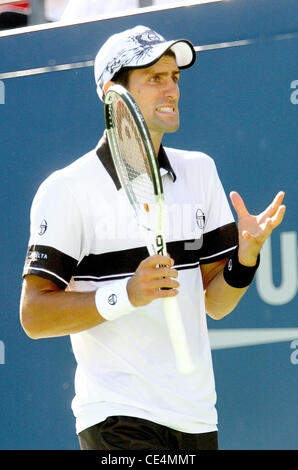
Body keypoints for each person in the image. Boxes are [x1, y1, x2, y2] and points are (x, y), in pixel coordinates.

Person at [20, 25, 286, 451]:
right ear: (113, 94)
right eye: (155, 78)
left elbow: (215, 304)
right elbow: (34, 315)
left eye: (175, 78)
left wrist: (246, 259)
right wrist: (126, 293)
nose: (172, 90)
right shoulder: (66, 189)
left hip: (196, 417)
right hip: (115, 416)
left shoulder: (200, 171)